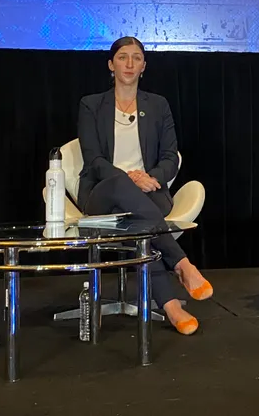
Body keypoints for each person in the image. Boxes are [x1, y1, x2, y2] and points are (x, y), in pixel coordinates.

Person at [77, 36, 213, 336]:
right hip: (103, 195)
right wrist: (128, 178)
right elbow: (94, 159)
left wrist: (150, 178)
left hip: (149, 194)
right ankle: (181, 263)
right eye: (122, 57)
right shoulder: (91, 105)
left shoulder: (158, 105)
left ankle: (170, 306)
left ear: (144, 66)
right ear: (111, 65)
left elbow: (170, 157)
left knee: (141, 227)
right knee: (121, 186)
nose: (129, 63)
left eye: (136, 58)